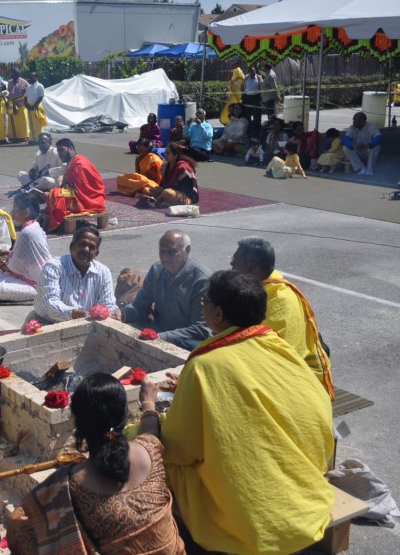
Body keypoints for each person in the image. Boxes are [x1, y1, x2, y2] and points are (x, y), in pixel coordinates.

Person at [139, 270, 335, 554]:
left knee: (163, 462)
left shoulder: (205, 366)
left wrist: (148, 408)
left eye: (205, 302)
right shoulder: (282, 348)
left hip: (250, 530)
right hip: (309, 510)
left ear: (218, 314)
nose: (203, 307)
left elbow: (178, 449)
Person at [6, 373, 187, 555]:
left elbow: (17, 527)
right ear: (123, 416)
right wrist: (148, 402)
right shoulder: (149, 450)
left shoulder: (66, 486)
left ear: (79, 426)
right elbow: (150, 429)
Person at [230, 237, 333, 398]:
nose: (231, 263)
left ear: (251, 265)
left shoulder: (278, 300)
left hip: (294, 381)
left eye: (236, 258)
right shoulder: (265, 289)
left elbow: (268, 355)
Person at [119, 231, 212, 351]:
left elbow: (201, 328)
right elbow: (140, 306)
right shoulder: (156, 270)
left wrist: (161, 337)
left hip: (186, 340)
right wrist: (122, 314)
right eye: (162, 251)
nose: (165, 257)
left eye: (172, 252)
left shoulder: (202, 280)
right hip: (158, 333)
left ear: (187, 250)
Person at [32, 225, 118, 324]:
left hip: (86, 324)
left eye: (92, 247)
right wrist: (75, 314)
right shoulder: (53, 267)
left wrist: (112, 311)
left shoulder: (103, 272)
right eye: (82, 244)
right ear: (72, 246)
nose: (86, 250)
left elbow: (108, 303)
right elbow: (50, 304)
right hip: (46, 323)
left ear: (96, 254)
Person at [0, 193, 52, 304]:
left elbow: (15, 265)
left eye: (15, 209)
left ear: (25, 212)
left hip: (37, 285)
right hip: (36, 277)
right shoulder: (34, 226)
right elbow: (24, 256)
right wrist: (6, 253)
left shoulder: (27, 232)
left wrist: (3, 266)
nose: (12, 212)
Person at [46, 139, 106, 232]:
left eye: (62, 150)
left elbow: (78, 191)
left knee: (54, 195)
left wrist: (56, 192)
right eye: (58, 151)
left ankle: (57, 221)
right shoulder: (73, 161)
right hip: (82, 195)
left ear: (70, 148)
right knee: (54, 194)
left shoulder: (79, 164)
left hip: (91, 199)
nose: (60, 153)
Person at [343, 111, 382, 176]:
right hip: (357, 151)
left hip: (368, 151)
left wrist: (369, 145)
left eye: (356, 120)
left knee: (376, 146)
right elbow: (346, 138)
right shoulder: (352, 127)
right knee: (345, 147)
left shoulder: (372, 127)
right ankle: (361, 168)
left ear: (363, 121)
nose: (353, 122)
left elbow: (379, 137)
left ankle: (369, 169)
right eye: (353, 120)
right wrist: (353, 145)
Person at [7, 68, 30, 143]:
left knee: (22, 121)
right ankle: (13, 137)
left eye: (13, 74)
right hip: (11, 104)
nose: (11, 75)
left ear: (18, 75)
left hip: (21, 104)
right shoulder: (9, 82)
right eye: (11, 74)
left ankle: (23, 137)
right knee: (12, 121)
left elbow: (27, 94)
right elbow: (8, 93)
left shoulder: (24, 82)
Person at [24, 70, 47, 141]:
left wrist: (34, 106)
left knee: (37, 124)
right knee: (30, 123)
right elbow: (25, 97)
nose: (30, 78)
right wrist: (27, 105)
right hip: (29, 106)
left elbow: (41, 97)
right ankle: (32, 139)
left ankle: (38, 139)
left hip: (36, 106)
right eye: (29, 77)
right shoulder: (29, 86)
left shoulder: (40, 86)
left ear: (36, 77)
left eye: (32, 77)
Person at [242, 66, 263, 138]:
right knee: (247, 115)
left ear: (255, 71)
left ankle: (257, 131)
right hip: (247, 98)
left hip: (256, 98)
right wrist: (243, 95)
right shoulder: (246, 77)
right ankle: (248, 131)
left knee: (257, 115)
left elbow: (261, 87)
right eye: (251, 71)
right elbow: (242, 86)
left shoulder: (259, 78)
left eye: (253, 71)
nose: (252, 73)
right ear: (248, 72)